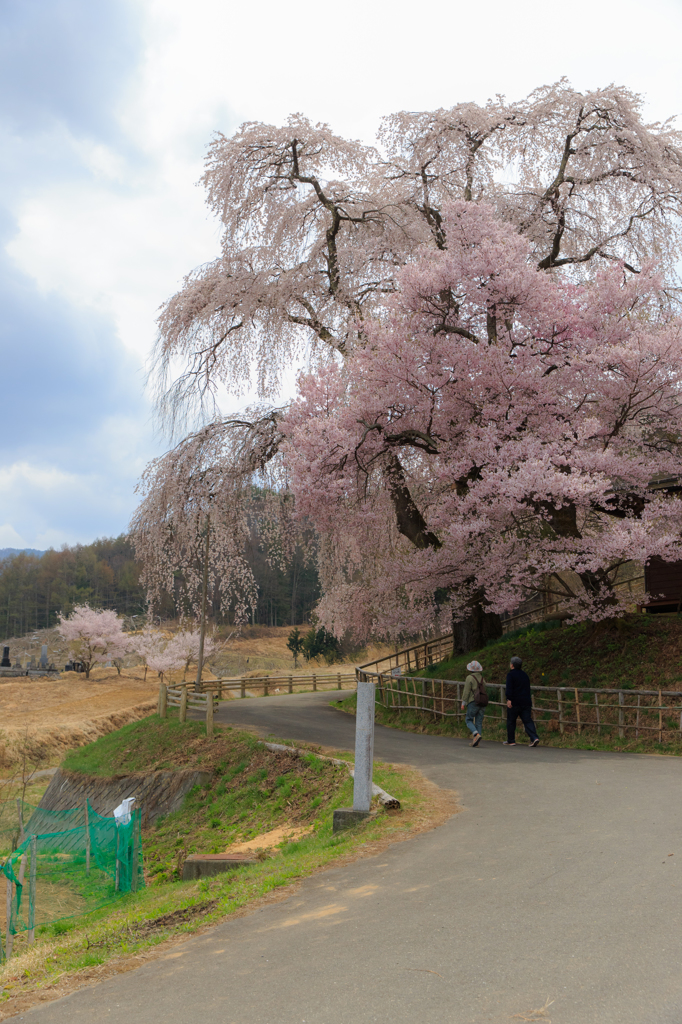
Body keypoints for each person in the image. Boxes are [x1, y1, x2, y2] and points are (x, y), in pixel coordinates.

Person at [505, 656, 540, 747]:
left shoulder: (511, 675)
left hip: (515, 701)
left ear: (512, 665)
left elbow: (509, 688)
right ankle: (534, 737)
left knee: (511, 721)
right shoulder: (525, 675)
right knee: (527, 720)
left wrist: (509, 699)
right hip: (526, 701)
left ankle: (511, 740)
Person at [461, 660, 486, 747]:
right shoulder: (482, 679)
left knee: (468, 719)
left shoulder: (470, 678)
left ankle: (476, 734)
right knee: (478, 722)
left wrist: (463, 702)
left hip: (473, 701)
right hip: (482, 702)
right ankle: (477, 742)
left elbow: (466, 691)